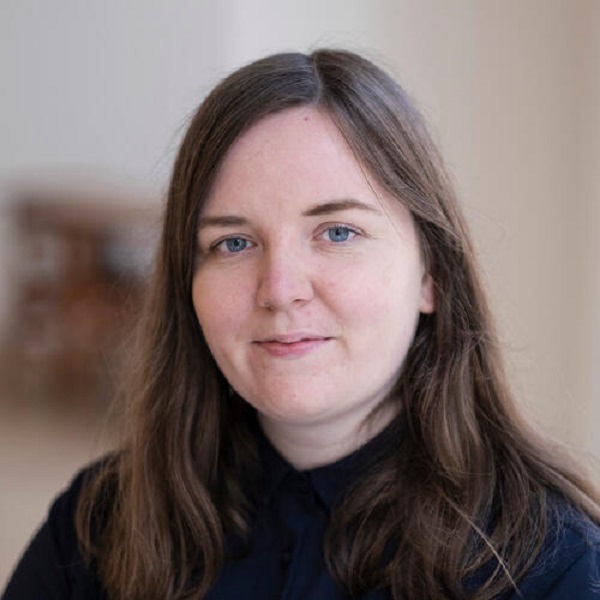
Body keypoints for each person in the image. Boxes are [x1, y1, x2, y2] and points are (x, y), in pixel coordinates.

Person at [3, 49, 600, 600]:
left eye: (337, 232)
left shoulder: (554, 567)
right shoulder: (98, 528)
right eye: (233, 242)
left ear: (431, 273)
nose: (280, 290)